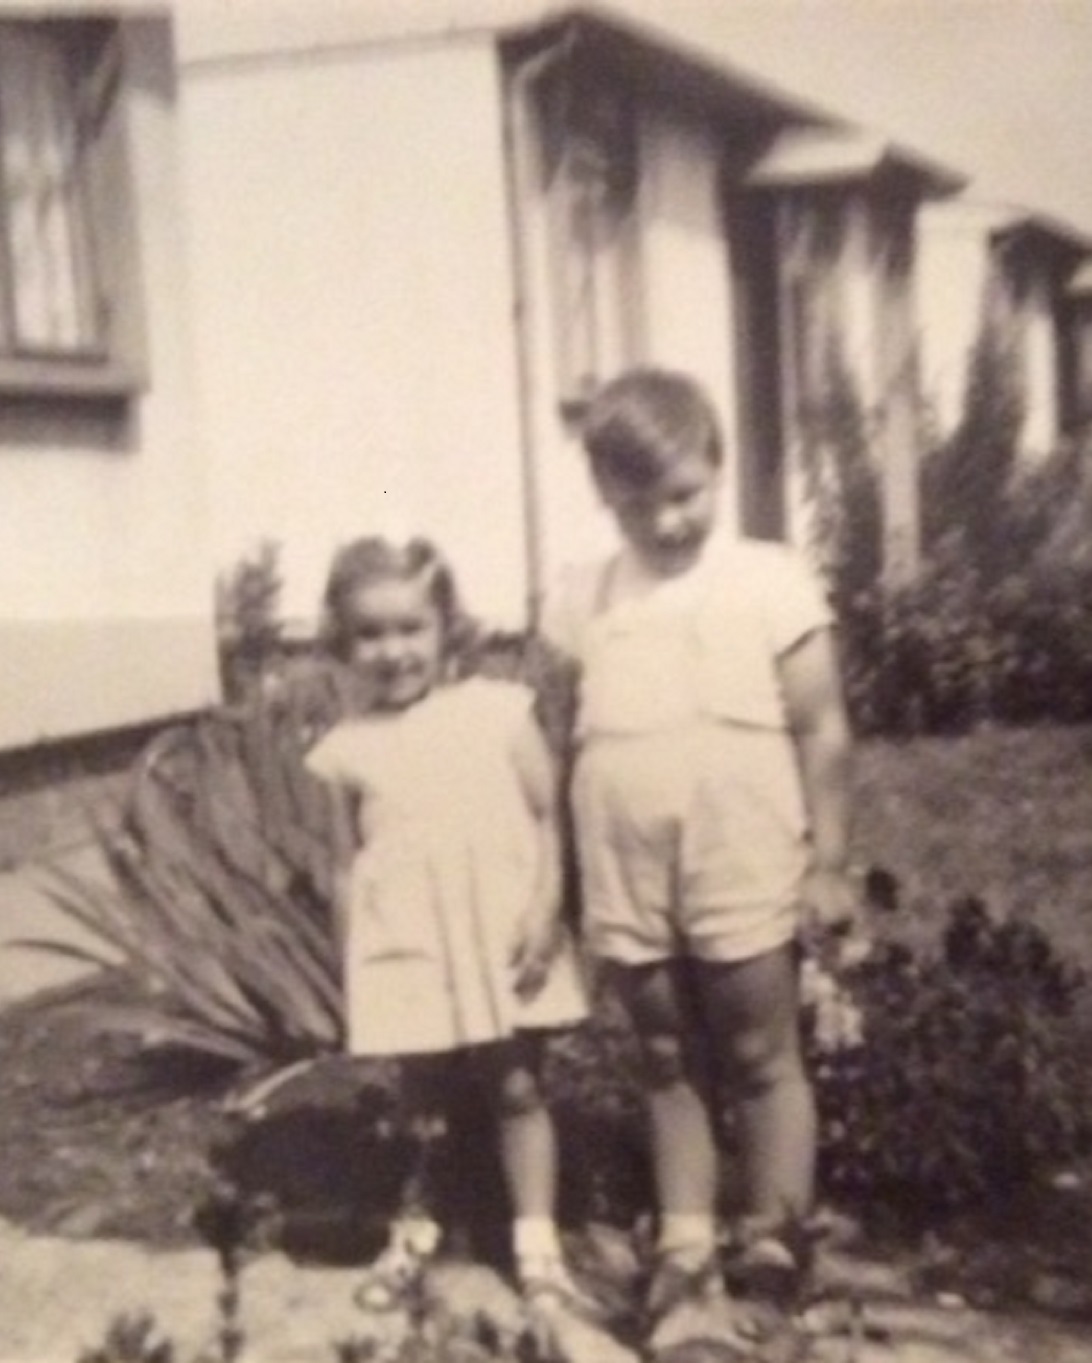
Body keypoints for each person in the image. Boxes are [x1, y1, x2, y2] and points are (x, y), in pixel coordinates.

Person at [542, 367, 860, 1347]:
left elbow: (822, 731)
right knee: (661, 1053)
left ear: (717, 470)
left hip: (740, 844)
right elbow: (553, 741)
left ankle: (771, 1241)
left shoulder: (766, 577)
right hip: (624, 858)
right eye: (640, 503)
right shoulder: (580, 596)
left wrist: (831, 862)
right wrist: (554, 873)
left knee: (759, 1048)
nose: (668, 521)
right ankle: (683, 1249)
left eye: (684, 494)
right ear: (605, 496)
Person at [304, 535, 597, 1321]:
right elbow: (342, 866)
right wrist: (350, 966)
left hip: (500, 935)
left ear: (445, 628)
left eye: (411, 628)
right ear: (342, 642)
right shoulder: (343, 750)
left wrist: (545, 912)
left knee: (517, 1084)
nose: (392, 650)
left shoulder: (499, 711)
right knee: (423, 1100)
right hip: (409, 946)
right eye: (370, 634)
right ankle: (417, 1231)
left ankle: (538, 1249)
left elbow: (547, 817)